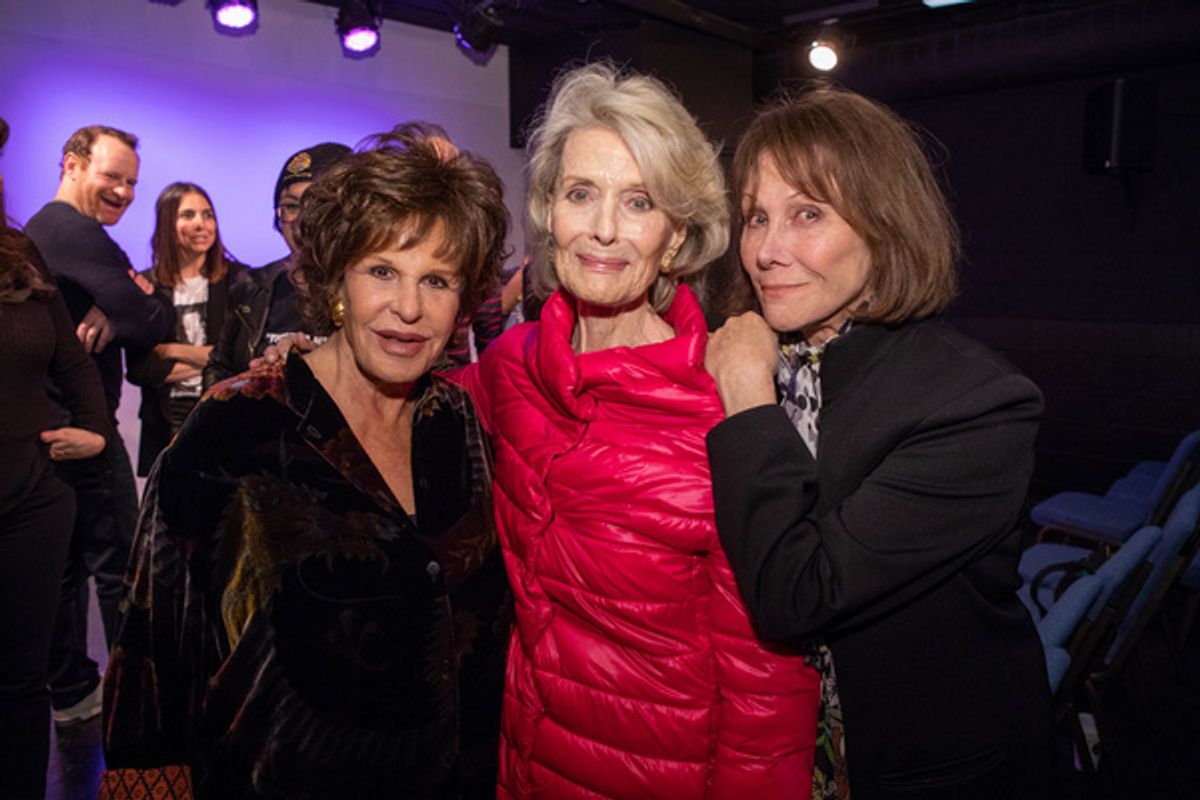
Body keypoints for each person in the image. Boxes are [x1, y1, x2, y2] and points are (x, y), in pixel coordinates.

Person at [101, 132, 511, 799]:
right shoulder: (233, 428)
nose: (408, 309)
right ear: (336, 277)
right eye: (382, 270)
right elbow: (153, 654)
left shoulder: (457, 424)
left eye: (436, 280)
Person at [456, 63, 821, 798]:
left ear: (677, 233)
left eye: (639, 202)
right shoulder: (511, 367)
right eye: (581, 194)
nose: (603, 230)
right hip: (520, 770)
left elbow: (767, 692)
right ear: (550, 211)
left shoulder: (723, 412)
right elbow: (398, 417)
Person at [704, 85, 1055, 799]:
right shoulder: (771, 353)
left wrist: (745, 398)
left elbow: (794, 595)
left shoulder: (978, 405)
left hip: (914, 768)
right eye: (755, 218)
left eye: (807, 214)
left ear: (884, 226)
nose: (767, 251)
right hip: (769, 749)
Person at [23, 124, 175, 726]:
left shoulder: (43, 235)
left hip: (51, 428)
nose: (123, 192)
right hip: (84, 430)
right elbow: (151, 317)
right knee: (120, 566)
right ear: (72, 165)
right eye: (111, 176)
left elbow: (131, 311)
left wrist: (117, 306)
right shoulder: (70, 230)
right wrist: (129, 303)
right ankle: (133, 703)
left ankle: (73, 692)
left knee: (63, 570)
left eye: (132, 183)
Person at [0, 116, 110, 799]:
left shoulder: (18, 250)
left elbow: (71, 360)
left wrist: (96, 429)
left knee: (18, 682)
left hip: (34, 499)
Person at [203, 142, 349, 387]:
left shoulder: (370, 291)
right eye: (291, 206)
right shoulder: (252, 286)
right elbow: (220, 369)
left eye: (317, 205)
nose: (302, 220)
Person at [126, 182, 248, 475]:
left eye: (208, 215)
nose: (201, 224)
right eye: (188, 215)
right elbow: (141, 370)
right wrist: (211, 360)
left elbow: (238, 360)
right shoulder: (146, 286)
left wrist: (170, 350)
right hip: (166, 419)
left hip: (219, 412)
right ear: (167, 222)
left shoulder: (241, 281)